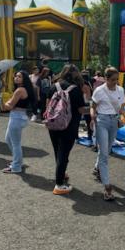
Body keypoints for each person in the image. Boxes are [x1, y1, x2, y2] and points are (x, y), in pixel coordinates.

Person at [91, 66, 125, 200]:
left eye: (117, 79)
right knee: (104, 154)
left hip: (114, 122)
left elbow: (122, 109)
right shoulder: (99, 91)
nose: (116, 82)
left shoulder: (120, 90)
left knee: (106, 150)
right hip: (102, 121)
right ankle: (107, 187)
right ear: (106, 79)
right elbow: (93, 107)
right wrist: (93, 118)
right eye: (113, 80)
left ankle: (97, 168)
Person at [47, 64, 86, 194]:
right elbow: (81, 109)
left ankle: (62, 173)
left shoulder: (54, 86)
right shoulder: (75, 89)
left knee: (57, 150)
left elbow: (47, 107)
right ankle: (59, 184)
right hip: (69, 125)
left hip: (53, 124)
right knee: (64, 153)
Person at [2, 70, 36, 174]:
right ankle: (18, 161)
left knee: (15, 143)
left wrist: (1, 102)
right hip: (19, 117)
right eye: (16, 76)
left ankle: (16, 167)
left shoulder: (20, 90)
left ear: (24, 79)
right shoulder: (22, 89)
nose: (16, 78)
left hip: (17, 118)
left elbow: (9, 106)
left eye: (19, 76)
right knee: (8, 139)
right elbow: (12, 103)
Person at [81, 70, 93, 142]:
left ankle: (76, 136)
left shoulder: (81, 85)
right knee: (88, 121)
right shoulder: (89, 84)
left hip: (82, 103)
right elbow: (89, 97)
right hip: (87, 103)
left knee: (78, 120)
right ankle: (90, 135)